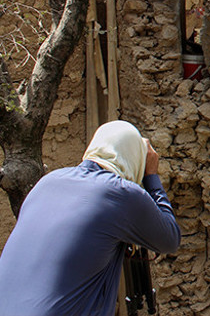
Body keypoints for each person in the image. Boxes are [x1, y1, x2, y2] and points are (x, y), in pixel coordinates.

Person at [0, 120, 181, 316]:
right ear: (135, 158)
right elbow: (170, 240)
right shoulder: (121, 193)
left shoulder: (48, 182)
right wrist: (151, 176)